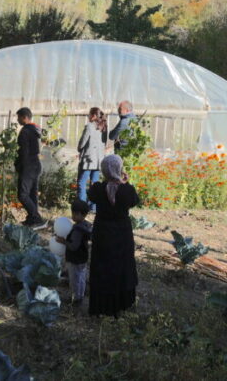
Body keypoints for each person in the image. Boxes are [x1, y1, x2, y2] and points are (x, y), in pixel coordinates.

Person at [87, 154, 139, 316]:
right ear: (119, 168)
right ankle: (121, 306)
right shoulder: (127, 191)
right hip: (122, 233)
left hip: (102, 232)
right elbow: (134, 200)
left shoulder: (97, 189)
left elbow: (91, 195)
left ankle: (101, 307)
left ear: (104, 170)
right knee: (122, 266)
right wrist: (125, 183)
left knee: (102, 267)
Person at [56, 199, 92, 306]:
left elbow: (73, 246)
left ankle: (76, 299)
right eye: (73, 213)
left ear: (81, 215)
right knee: (81, 277)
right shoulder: (86, 226)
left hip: (75, 259)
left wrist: (64, 241)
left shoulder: (77, 230)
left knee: (74, 279)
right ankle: (80, 295)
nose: (73, 216)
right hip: (83, 258)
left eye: (75, 214)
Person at [15, 107, 45, 227]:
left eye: (18, 117)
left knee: (22, 194)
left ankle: (36, 217)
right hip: (36, 164)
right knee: (32, 194)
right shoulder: (36, 129)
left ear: (24, 117)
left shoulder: (25, 131)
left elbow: (24, 152)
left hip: (28, 166)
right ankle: (32, 219)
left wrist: (19, 165)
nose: (18, 120)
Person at [76, 107, 108, 212]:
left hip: (88, 160)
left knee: (82, 182)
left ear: (93, 115)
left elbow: (82, 142)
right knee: (95, 184)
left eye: (89, 114)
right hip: (99, 160)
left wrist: (79, 148)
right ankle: (93, 208)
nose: (88, 116)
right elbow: (104, 143)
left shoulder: (89, 126)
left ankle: (81, 207)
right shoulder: (104, 127)